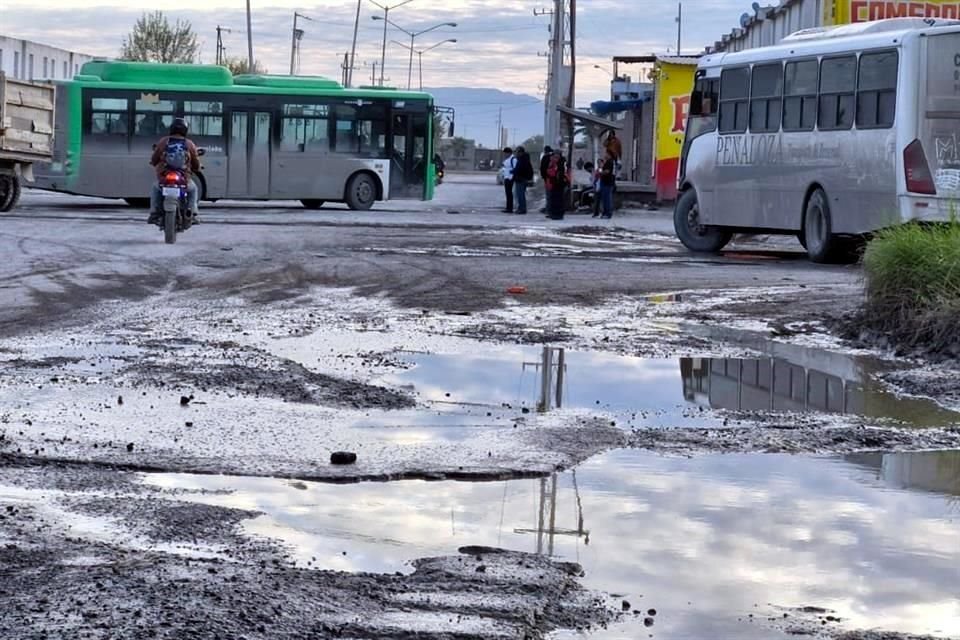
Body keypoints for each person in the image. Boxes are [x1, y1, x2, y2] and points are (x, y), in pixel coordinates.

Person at [149, 118, 200, 224]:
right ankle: (192, 213)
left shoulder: (164, 141)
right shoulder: (189, 143)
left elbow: (155, 158)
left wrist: (154, 162)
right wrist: (197, 167)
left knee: (156, 188)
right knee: (193, 189)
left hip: (165, 175)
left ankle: (154, 213)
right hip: (183, 177)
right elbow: (195, 161)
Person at [544, 148, 569, 220]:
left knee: (558, 199)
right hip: (554, 183)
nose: (556, 156)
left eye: (557, 155)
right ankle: (555, 213)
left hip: (559, 183)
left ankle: (557, 214)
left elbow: (560, 172)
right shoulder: (554, 162)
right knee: (554, 199)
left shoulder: (560, 162)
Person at [512, 146, 534, 214]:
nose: (516, 153)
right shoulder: (524, 159)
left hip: (520, 179)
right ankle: (521, 208)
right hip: (522, 179)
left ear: (520, 152)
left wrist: (514, 172)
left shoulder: (522, 160)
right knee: (520, 194)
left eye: (517, 152)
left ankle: (522, 209)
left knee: (520, 195)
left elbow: (520, 169)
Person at [597, 149, 617, 219]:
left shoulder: (609, 162)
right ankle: (605, 212)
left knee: (607, 199)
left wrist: (600, 172)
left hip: (607, 182)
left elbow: (607, 171)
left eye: (606, 154)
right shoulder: (609, 162)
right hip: (607, 182)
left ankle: (608, 213)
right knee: (605, 198)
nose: (605, 155)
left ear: (609, 155)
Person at [500, 147, 517, 213]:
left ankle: (510, 208)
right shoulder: (508, 159)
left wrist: (511, 177)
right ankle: (508, 207)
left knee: (509, 194)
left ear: (509, 153)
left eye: (505, 153)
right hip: (506, 178)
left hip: (510, 178)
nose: (505, 155)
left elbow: (515, 169)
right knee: (507, 193)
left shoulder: (513, 159)